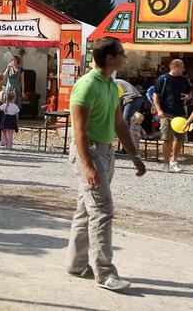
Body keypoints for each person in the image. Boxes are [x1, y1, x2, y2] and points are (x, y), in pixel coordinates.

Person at [66, 36, 146, 292]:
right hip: (88, 152)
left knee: (86, 210)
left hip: (105, 152)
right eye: (122, 53)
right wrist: (88, 165)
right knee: (102, 210)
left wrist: (134, 155)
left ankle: (76, 265)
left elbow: (119, 124)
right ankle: (105, 273)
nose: (125, 56)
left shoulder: (112, 86)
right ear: (110, 57)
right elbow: (78, 128)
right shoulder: (87, 85)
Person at [153, 59, 192, 172]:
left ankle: (174, 160)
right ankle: (166, 163)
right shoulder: (163, 79)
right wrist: (159, 110)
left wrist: (188, 97)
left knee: (179, 139)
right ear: (175, 67)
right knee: (166, 139)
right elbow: (156, 95)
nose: (184, 69)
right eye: (182, 67)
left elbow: (190, 92)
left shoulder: (184, 79)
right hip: (166, 113)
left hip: (181, 113)